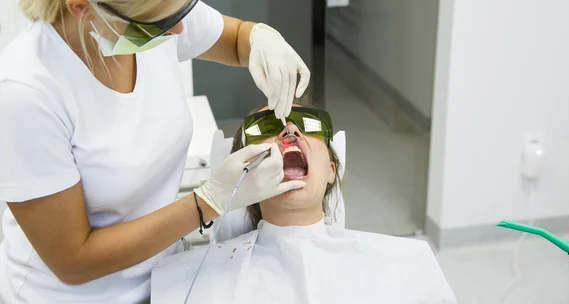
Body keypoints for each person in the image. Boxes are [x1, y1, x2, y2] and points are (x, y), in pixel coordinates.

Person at [0, 0, 310, 302]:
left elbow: (233, 38)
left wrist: (262, 39)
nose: (180, 29)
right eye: (163, 21)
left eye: (183, 7)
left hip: (166, 277)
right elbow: (73, 261)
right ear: (84, 8)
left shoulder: (153, 12)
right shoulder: (26, 93)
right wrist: (209, 201)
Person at [151, 106, 457, 304]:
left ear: (331, 171)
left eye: (308, 125)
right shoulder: (189, 281)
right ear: (244, 173)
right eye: (266, 125)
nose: (290, 132)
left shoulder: (405, 265)